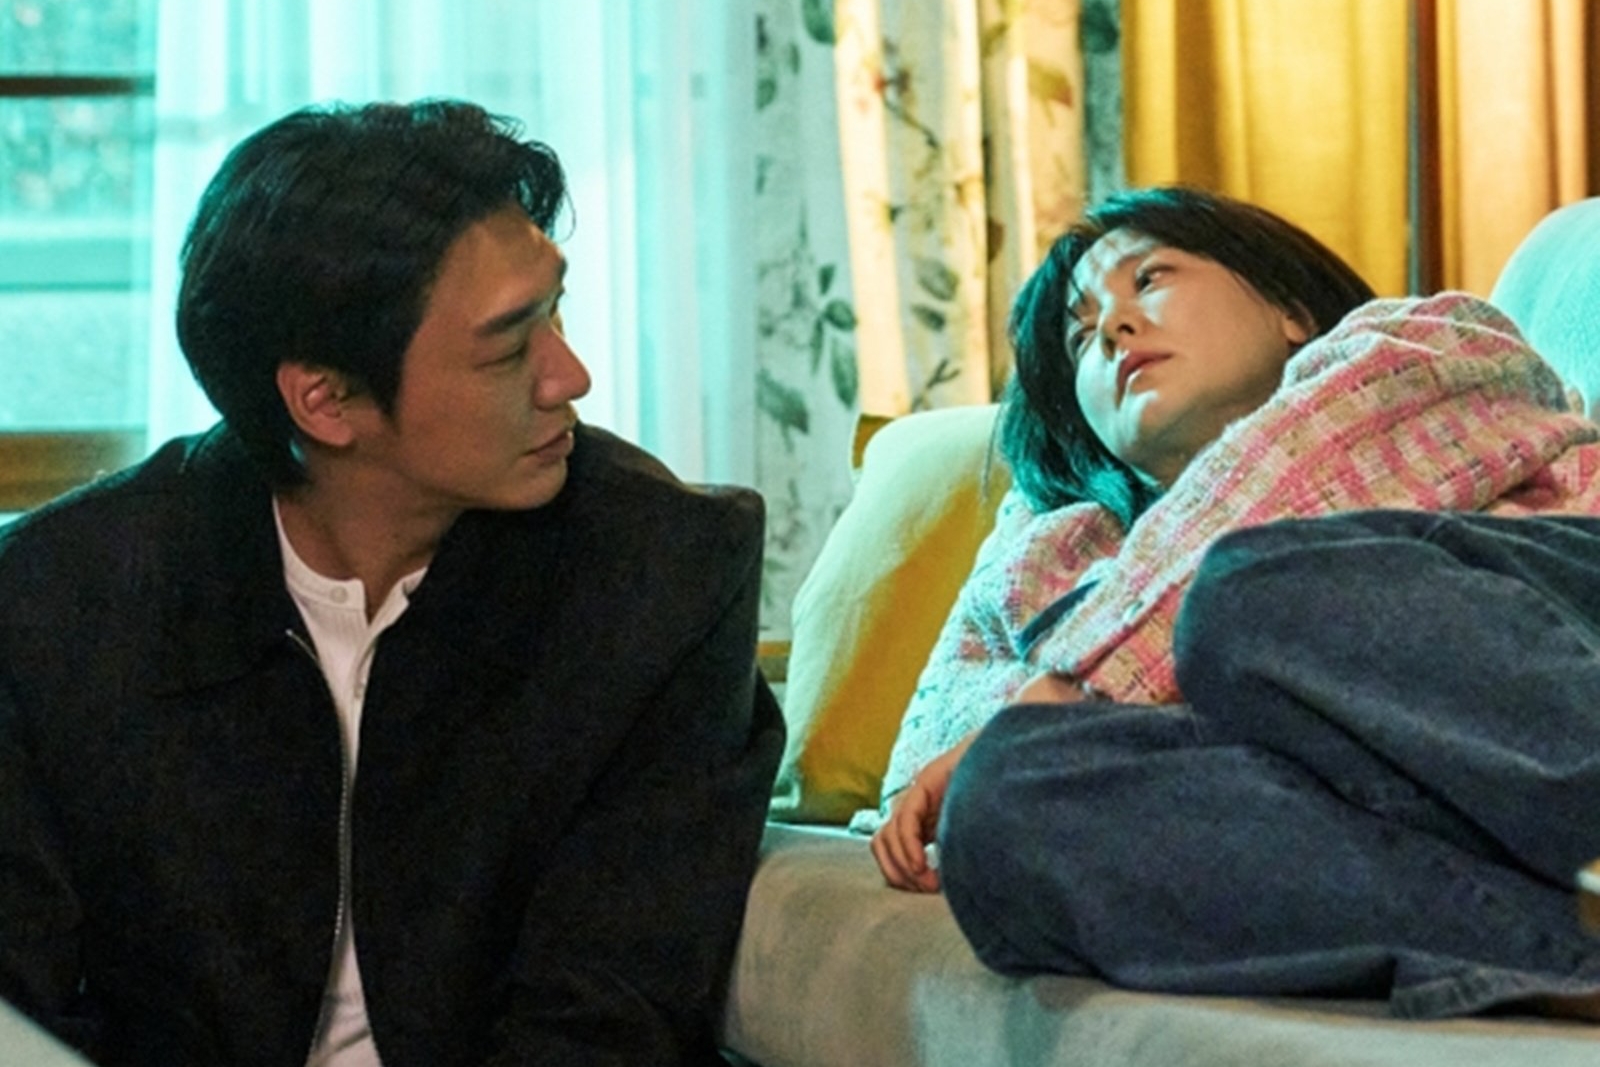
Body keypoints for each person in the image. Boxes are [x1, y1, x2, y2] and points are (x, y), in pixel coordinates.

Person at [0, 99, 784, 1066]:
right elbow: (26, 1003)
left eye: (556, 311)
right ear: (327, 401)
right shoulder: (59, 602)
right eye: (509, 347)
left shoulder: (659, 574)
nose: (570, 375)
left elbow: (608, 1012)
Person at [867, 185, 1600, 1019]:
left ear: (1289, 309)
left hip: (1566, 631)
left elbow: (1291, 479)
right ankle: (1565, 951)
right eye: (1080, 336)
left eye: (1150, 279)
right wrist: (1043, 525)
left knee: (1250, 585)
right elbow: (929, 768)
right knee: (1006, 800)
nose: (1112, 327)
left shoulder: (1425, 338)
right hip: (1416, 798)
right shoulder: (1086, 558)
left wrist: (1077, 682)